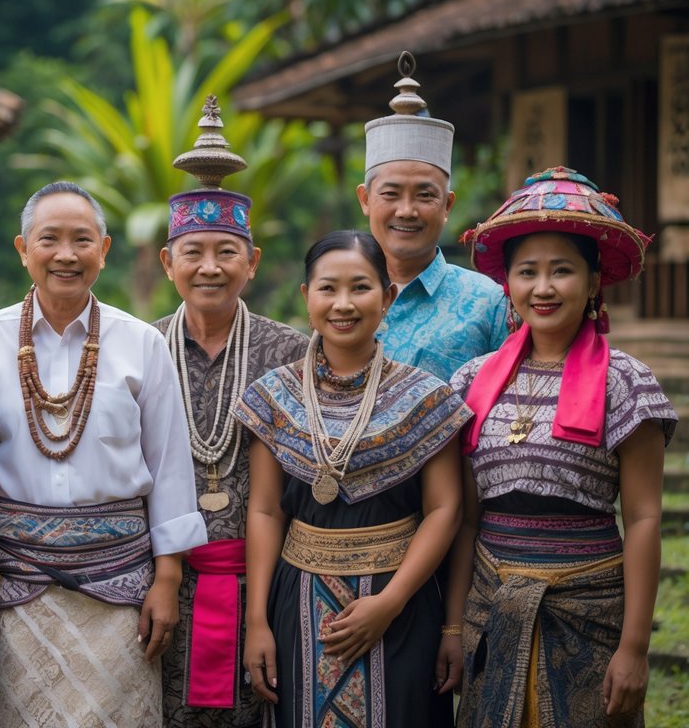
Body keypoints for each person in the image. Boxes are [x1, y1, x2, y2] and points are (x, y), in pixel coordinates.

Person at [0, 181, 208, 726]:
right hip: (12, 591)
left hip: (120, 596)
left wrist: (166, 582)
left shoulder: (141, 343)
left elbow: (169, 468)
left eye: (82, 239)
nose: (66, 255)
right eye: (49, 239)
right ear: (23, 249)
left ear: (105, 248)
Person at [447, 167, 678, 727]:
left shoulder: (627, 383)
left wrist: (635, 647)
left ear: (595, 280)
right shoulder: (472, 381)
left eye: (562, 271)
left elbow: (644, 518)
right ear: (509, 283)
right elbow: (467, 519)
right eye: (527, 272)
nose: (543, 288)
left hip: (590, 611)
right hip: (490, 604)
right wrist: (453, 627)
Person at [238, 230, 469, 728]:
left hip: (401, 604)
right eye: (328, 288)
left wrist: (389, 602)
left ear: (387, 297)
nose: (343, 304)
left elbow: (445, 508)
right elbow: (264, 509)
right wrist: (256, 620)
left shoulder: (426, 398)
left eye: (360, 288)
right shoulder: (274, 396)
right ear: (307, 297)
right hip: (297, 601)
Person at [153, 100, 308, 728]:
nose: (209, 267)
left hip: (269, 586)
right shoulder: (141, 351)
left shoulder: (293, 354)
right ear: (168, 263)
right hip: (163, 586)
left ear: (253, 261)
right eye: (192, 251)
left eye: (226, 251)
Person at [357, 53, 507, 381]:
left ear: (448, 205)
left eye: (425, 195)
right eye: (391, 194)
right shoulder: (341, 295)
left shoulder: (487, 301)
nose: (407, 211)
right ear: (365, 199)